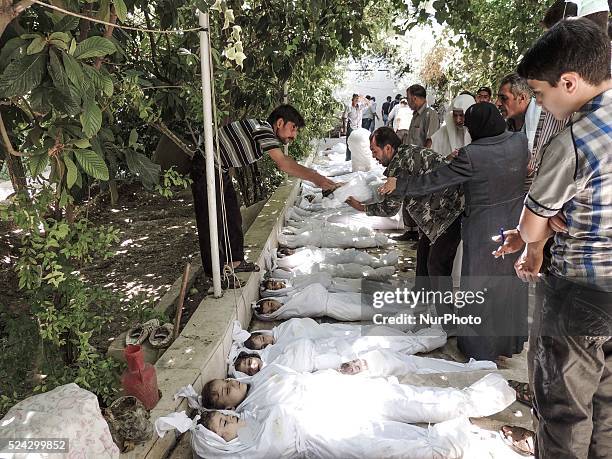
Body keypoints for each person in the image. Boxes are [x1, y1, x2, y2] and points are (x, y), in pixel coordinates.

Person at [493, 18, 612, 458]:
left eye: (540, 94)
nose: (539, 103)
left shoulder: (576, 142)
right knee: (607, 413)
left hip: (578, 294)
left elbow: (530, 225)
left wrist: (534, 241)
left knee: (564, 414)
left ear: (569, 81)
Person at [379, 102, 529, 361]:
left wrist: (399, 183)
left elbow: (434, 180)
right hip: (517, 224)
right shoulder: (520, 141)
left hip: (483, 229)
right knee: (510, 283)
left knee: (480, 286)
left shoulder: (472, 155)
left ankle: (480, 349)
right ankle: (508, 343)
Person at [191, 105, 338, 280]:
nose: (294, 136)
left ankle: (235, 262)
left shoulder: (263, 130)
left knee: (232, 216)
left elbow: (286, 161)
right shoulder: (262, 129)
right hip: (205, 167)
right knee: (212, 222)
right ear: (280, 122)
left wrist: (318, 178)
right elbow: (283, 163)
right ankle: (215, 274)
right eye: (293, 128)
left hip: (219, 169)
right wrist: (316, 178)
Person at [345, 127, 464, 316]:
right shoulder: (406, 152)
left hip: (449, 214)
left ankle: (448, 318)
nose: (374, 156)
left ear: (388, 148)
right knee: (424, 253)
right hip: (437, 213)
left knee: (437, 265)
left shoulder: (398, 166)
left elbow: (390, 208)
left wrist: (363, 208)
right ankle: (421, 296)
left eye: (375, 151)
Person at [393, 84, 442, 242]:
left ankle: (422, 233)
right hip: (411, 164)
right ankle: (411, 231)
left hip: (422, 164)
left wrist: (423, 164)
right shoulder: (415, 115)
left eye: (408, 98)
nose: (408, 101)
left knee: (422, 199)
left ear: (414, 97)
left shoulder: (430, 114)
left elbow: (430, 140)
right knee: (408, 195)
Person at [252, 283, 382, 321]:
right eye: (270, 311)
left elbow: (312, 288)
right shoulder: (286, 312)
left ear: (272, 299)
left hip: (333, 297)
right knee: (368, 312)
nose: (273, 308)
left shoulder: (289, 298)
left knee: (366, 299)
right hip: (333, 308)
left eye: (270, 304)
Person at [430, 93, 475, 159]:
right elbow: (432, 157)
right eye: (455, 115)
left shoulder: (477, 134)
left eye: (461, 115)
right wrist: (447, 158)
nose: (458, 120)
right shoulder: (443, 132)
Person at [341, 94, 366, 161]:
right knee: (349, 143)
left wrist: (362, 97)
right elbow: (344, 117)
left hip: (358, 128)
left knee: (357, 143)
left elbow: (368, 104)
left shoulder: (360, 106)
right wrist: (344, 128)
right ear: (352, 99)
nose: (357, 100)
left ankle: (356, 159)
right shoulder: (349, 106)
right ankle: (348, 159)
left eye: (358, 99)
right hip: (351, 127)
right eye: (356, 98)